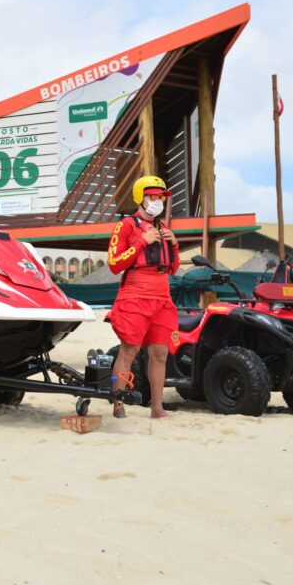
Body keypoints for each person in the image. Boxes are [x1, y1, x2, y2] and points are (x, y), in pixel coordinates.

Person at [105, 175, 180, 419]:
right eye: (152, 196)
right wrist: (141, 242)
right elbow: (115, 263)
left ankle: (157, 409)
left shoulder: (164, 228)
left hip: (162, 296)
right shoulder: (126, 225)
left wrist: (175, 246)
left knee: (160, 354)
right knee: (129, 351)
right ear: (141, 197)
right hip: (134, 294)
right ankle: (118, 405)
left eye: (160, 197)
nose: (157, 201)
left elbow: (173, 268)